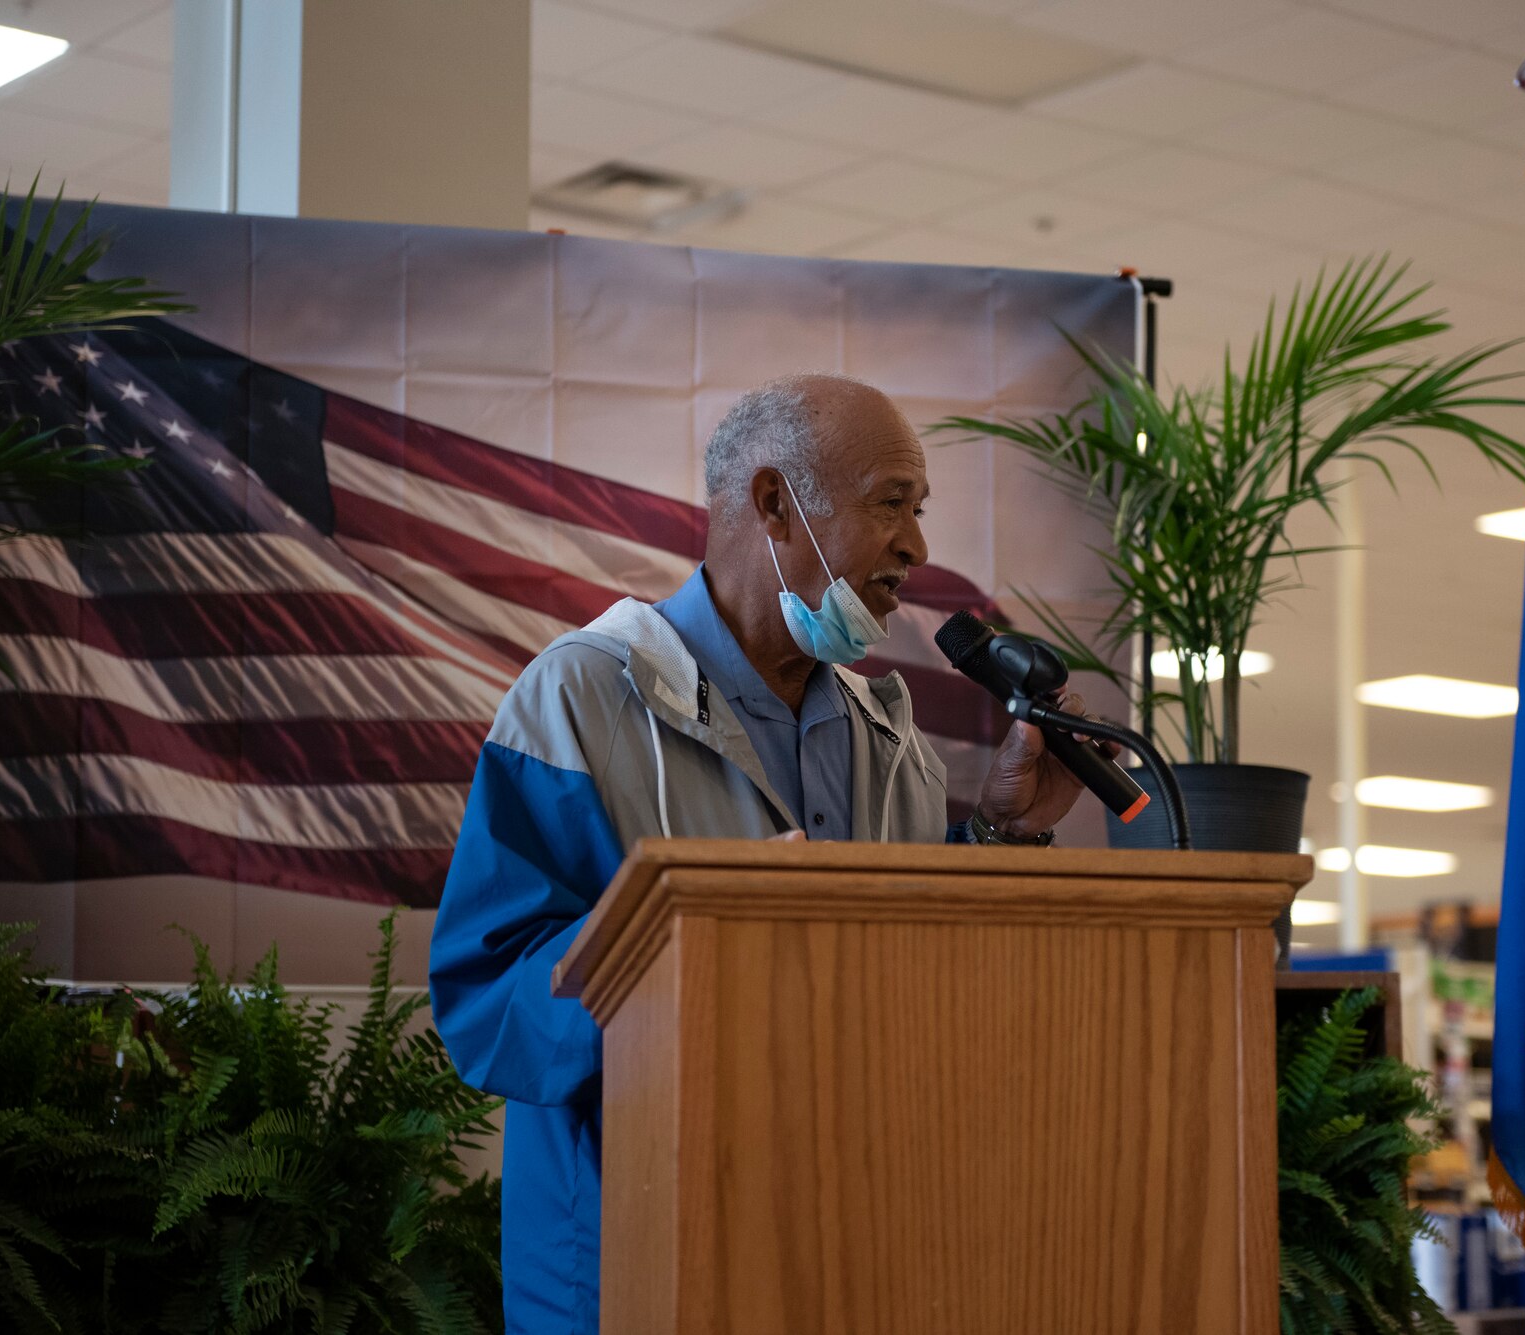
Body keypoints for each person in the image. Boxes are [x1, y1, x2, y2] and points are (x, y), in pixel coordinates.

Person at [429, 373, 1101, 1333]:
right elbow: (485, 1001)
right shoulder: (578, 699)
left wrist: (1001, 835)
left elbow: (917, 980)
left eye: (919, 511)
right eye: (890, 505)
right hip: (633, 1275)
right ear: (776, 504)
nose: (917, 545)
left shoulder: (886, 734)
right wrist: (696, 933)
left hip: (846, 1260)